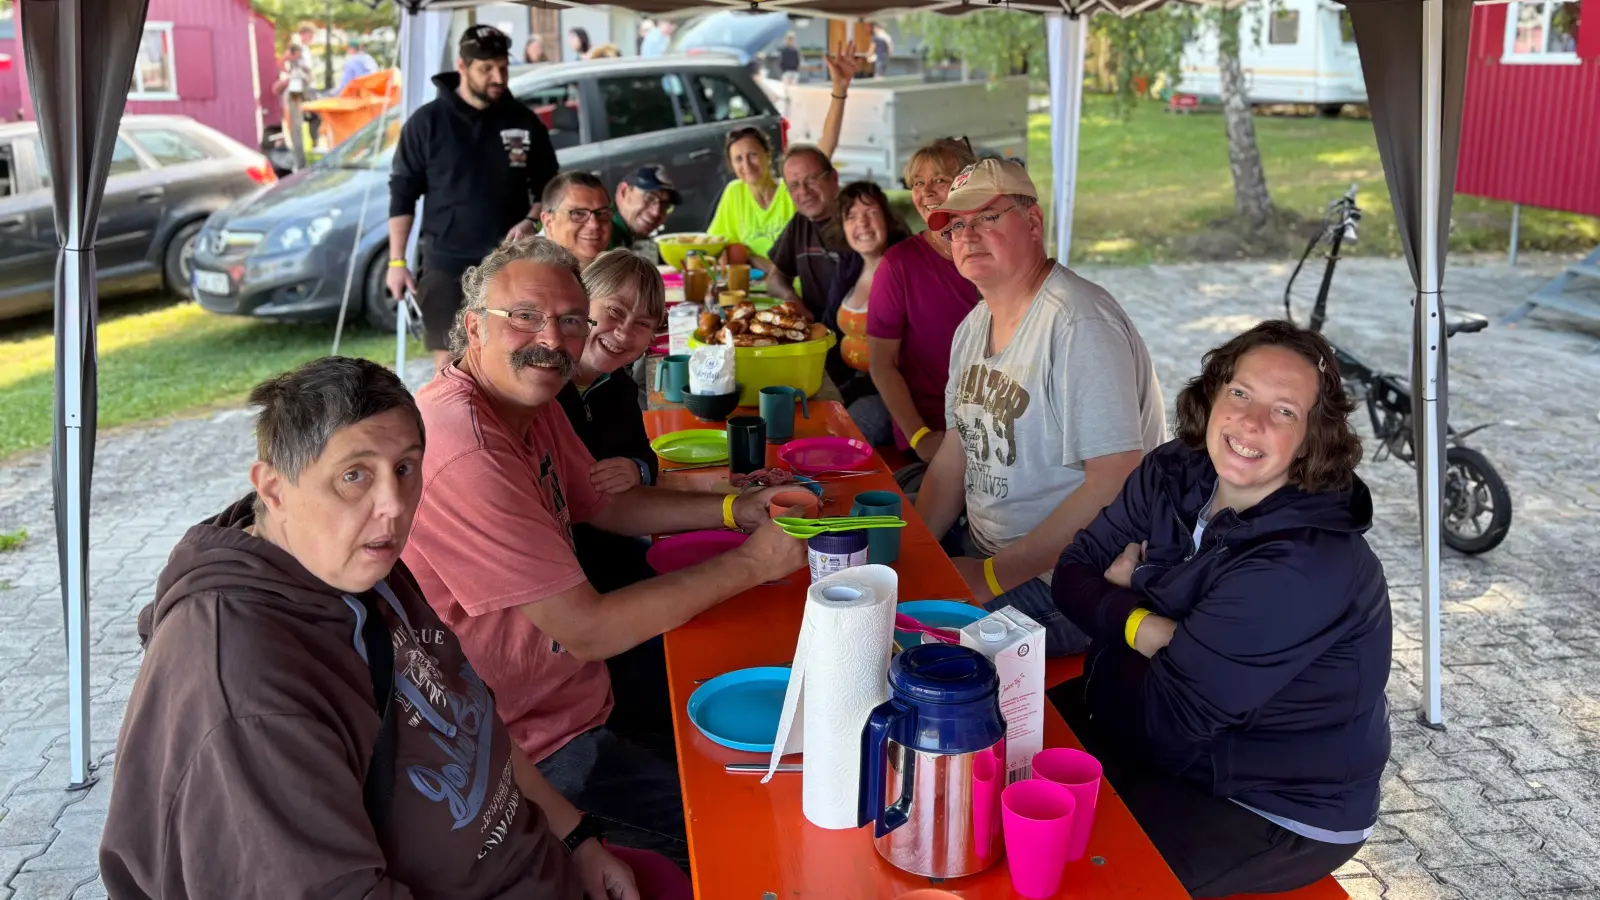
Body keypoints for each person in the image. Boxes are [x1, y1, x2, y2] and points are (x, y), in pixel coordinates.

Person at [99, 356, 692, 900]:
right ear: (274, 488)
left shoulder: (361, 568)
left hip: (542, 862)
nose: (394, 504)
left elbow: (473, 721)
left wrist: (574, 838)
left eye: (406, 468)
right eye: (354, 475)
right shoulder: (244, 690)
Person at [400, 236, 807, 869]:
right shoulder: (467, 449)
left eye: (569, 320)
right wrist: (754, 563)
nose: (553, 338)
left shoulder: (528, 404)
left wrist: (738, 510)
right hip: (529, 754)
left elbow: (607, 506)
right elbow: (586, 628)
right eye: (526, 316)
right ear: (473, 327)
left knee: (769, 748)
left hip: (582, 699)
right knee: (750, 831)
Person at [1049, 320, 1389, 898]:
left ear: (1313, 438)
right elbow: (1070, 577)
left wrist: (1140, 582)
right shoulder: (1172, 471)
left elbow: (1168, 726)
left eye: (1285, 411)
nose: (1251, 422)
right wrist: (1150, 627)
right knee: (1000, 745)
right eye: (1240, 393)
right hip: (1140, 722)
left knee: (1075, 876)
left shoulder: (1306, 563)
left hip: (1267, 802)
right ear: (1212, 394)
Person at [915, 159, 1166, 657]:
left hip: (1074, 575)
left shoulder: (1077, 323)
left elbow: (1114, 479)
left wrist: (990, 575)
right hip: (990, 551)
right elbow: (954, 454)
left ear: (1033, 223)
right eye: (957, 225)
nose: (967, 235)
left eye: (987, 217)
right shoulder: (972, 327)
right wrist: (915, 552)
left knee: (922, 653)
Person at [388, 25, 560, 376]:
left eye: (503, 67)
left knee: (512, 358)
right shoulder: (427, 123)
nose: (498, 77)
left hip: (508, 261)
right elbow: (403, 192)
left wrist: (531, 219)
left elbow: (549, 186)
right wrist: (396, 262)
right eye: (487, 69)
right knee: (450, 366)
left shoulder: (522, 121)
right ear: (463, 68)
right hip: (445, 262)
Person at [868, 138, 981, 465]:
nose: (927, 192)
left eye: (940, 180)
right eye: (918, 183)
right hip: (933, 430)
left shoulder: (991, 254)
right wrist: (920, 437)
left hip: (997, 427)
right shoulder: (898, 264)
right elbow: (881, 363)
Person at [705, 42, 856, 268]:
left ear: (768, 155)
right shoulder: (734, 193)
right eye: (738, 159)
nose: (746, 164)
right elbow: (714, 246)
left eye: (753, 155)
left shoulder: (792, 189)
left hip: (792, 288)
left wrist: (839, 90)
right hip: (751, 290)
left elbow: (825, 149)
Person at [827, 181, 910, 447]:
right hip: (850, 384)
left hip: (888, 395)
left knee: (840, 441)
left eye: (870, 212)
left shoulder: (901, 270)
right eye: (851, 216)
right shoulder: (850, 268)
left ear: (887, 218)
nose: (861, 223)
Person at [542, 171, 615, 269]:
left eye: (601, 213)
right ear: (549, 223)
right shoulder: (529, 275)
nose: (594, 224)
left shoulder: (619, 271)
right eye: (579, 213)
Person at [611, 165, 681, 256]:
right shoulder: (602, 235)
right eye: (649, 198)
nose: (656, 212)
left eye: (665, 205)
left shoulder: (629, 234)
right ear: (623, 192)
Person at [273, 42, 313, 170]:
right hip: (294, 98)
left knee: (297, 130)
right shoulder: (293, 65)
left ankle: (301, 162)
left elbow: (296, 90)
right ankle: (300, 160)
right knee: (295, 131)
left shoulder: (299, 66)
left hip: (296, 99)